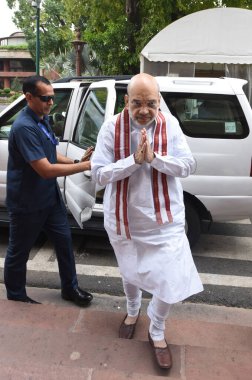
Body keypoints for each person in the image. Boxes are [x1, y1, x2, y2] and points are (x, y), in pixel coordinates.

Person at [91, 73, 203, 369]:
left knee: (169, 279)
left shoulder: (171, 125)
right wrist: (133, 161)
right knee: (130, 271)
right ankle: (131, 310)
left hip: (164, 222)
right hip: (123, 219)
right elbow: (98, 173)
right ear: (127, 101)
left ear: (159, 102)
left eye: (151, 103)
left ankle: (157, 328)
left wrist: (155, 159)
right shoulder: (111, 127)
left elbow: (188, 165)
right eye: (137, 102)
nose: (144, 110)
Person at [4, 75, 94, 307]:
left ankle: (70, 288)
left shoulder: (41, 119)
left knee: (64, 243)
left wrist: (76, 159)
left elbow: (52, 153)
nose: (51, 103)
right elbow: (44, 169)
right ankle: (16, 296)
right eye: (46, 98)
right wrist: (85, 166)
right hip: (27, 202)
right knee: (19, 251)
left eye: (52, 98)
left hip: (49, 198)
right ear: (29, 97)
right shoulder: (24, 127)